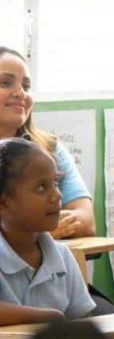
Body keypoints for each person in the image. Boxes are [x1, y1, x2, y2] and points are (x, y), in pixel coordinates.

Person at [0, 47, 95, 239]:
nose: (20, 93)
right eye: (5, 83)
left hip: (47, 266)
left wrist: (33, 230)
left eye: (25, 86)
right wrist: (40, 230)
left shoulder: (47, 149)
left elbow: (85, 220)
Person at [0, 138, 95, 327]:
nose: (57, 195)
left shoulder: (62, 256)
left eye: (56, 183)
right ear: (3, 203)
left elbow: (83, 323)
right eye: (42, 187)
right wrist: (47, 317)